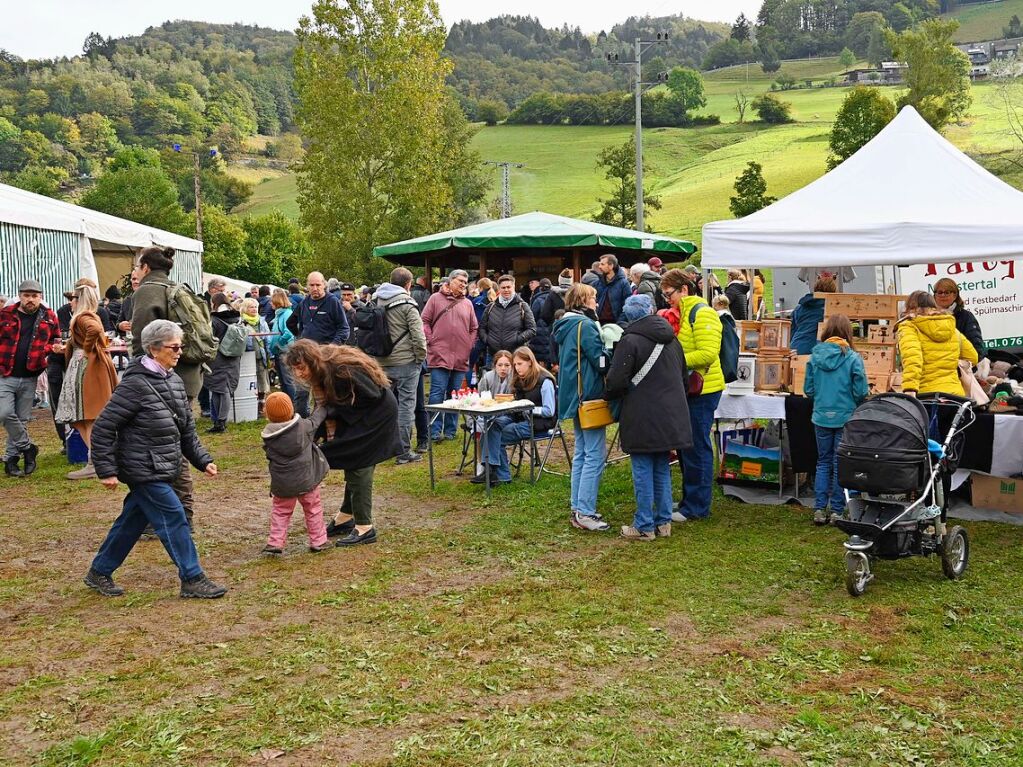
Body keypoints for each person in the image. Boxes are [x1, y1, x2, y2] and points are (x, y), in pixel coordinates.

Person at [83, 319, 226, 599]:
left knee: (132, 521)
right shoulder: (134, 385)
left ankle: (99, 571)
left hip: (165, 465)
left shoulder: (172, 379)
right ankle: (192, 577)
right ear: (153, 349)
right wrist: (106, 470)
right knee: (174, 515)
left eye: (180, 346)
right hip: (142, 468)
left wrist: (202, 460)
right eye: (174, 347)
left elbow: (186, 428)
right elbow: (103, 427)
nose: (180, 352)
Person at [284, 340, 401, 547]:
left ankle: (365, 527)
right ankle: (346, 517)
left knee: (360, 464)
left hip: (377, 415)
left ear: (312, 360)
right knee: (352, 460)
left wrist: (334, 411)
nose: (299, 373)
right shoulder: (323, 372)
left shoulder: (341, 369)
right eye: (295, 369)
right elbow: (326, 406)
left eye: (301, 367)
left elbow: (371, 395)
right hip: (359, 416)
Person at [605, 294, 692, 541]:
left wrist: (610, 395)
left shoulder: (630, 341)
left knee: (642, 468)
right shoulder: (673, 340)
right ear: (652, 310)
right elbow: (684, 379)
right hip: (671, 414)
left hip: (642, 413)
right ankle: (663, 522)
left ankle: (644, 525)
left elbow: (615, 381)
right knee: (661, 467)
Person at [660, 268, 724, 523]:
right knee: (687, 445)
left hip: (704, 389)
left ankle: (697, 506)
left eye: (669, 294)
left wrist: (674, 360)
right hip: (690, 389)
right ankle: (689, 500)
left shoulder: (702, 313)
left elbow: (709, 353)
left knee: (697, 446)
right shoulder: (684, 314)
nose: (667, 299)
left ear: (684, 289)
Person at [551, 284, 609, 532]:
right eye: (593, 297)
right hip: (589, 395)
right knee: (594, 454)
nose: (596, 301)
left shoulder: (565, 324)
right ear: (583, 300)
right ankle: (585, 511)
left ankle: (578, 506)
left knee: (583, 452)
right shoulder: (584, 325)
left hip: (573, 395)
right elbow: (600, 360)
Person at [804, 314, 869, 526]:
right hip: (845, 417)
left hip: (821, 416)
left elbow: (808, 389)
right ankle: (838, 510)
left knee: (823, 462)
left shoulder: (815, 356)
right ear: (847, 333)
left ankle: (820, 509)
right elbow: (861, 391)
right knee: (840, 462)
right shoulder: (852, 358)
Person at [53, 282, 118, 480]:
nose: (70, 303)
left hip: (88, 369)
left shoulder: (84, 316)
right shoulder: (86, 316)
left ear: (78, 300)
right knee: (82, 418)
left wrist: (86, 350)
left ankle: (96, 462)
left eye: (72, 299)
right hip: (89, 366)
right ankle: (97, 459)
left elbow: (95, 329)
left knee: (87, 416)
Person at [0, 279, 60, 477]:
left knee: (21, 419)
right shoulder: (5, 314)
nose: (31, 299)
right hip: (5, 373)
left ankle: (11, 461)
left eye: (35, 296)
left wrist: (47, 349)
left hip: (30, 374)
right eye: (27, 295)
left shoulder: (50, 317)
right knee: (5, 413)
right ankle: (28, 448)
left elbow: (56, 340)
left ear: (41, 297)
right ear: (19, 296)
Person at [473, 347, 556, 486]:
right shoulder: (519, 379)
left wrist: (528, 408)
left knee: (497, 435)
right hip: (518, 416)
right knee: (490, 427)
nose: (517, 368)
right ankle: (491, 470)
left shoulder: (544, 380)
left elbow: (549, 411)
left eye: (519, 364)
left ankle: (498, 474)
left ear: (530, 362)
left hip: (538, 422)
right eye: (515, 365)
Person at [260, 391, 330, 555]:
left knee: (280, 512)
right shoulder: (304, 427)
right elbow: (317, 419)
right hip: (307, 481)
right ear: (291, 409)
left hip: (282, 485)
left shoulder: (269, 437)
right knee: (313, 509)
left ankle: (275, 543)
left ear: (268, 415)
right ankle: (318, 541)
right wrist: (323, 405)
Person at [130, 247, 204, 400]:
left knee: (161, 423)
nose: (135, 271)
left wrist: (138, 372)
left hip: (162, 380)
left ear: (145, 267)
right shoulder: (178, 288)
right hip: (188, 373)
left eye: (137, 267)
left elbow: (141, 338)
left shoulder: (146, 291)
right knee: (182, 422)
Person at [372, 267, 428, 465]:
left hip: (379, 361)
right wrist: (420, 359)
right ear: (408, 284)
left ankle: (381, 447)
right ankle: (403, 451)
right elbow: (418, 336)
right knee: (406, 406)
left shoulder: (375, 299)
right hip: (405, 362)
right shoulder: (407, 303)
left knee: (383, 405)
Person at [422, 269, 478, 442]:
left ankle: (450, 431)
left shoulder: (467, 303)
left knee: (454, 395)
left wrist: (469, 344)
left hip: (461, 357)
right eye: (460, 280)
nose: (463, 284)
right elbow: (424, 320)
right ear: (450, 281)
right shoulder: (435, 299)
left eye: (465, 281)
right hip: (440, 355)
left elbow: (474, 327)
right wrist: (432, 341)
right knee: (437, 393)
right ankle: (434, 430)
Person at [286, 271, 349, 416]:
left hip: (325, 357)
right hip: (305, 356)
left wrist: (333, 345)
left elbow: (344, 328)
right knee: (301, 394)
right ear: (306, 286)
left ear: (324, 285)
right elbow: (291, 322)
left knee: (323, 396)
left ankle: (322, 427)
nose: (315, 288)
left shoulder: (332, 302)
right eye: (311, 285)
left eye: (318, 285)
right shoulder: (304, 302)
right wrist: (300, 337)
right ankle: (303, 426)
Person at [898, 291, 978, 398]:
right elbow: (973, 357)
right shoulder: (950, 326)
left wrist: (910, 389)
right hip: (955, 396)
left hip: (926, 396)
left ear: (909, 306)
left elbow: (912, 359)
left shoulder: (909, 326)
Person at [479, 275, 537, 365]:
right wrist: (488, 340)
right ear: (499, 289)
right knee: (491, 379)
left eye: (508, 287)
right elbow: (482, 328)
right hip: (493, 354)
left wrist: (517, 340)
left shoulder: (523, 306)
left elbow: (532, 329)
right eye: (503, 287)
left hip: (515, 354)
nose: (506, 290)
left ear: (513, 287)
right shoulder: (490, 307)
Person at [206, 294, 242, 434]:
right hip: (233, 355)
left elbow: (210, 338)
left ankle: (220, 422)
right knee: (224, 388)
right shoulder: (237, 317)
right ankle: (219, 421)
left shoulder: (215, 319)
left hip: (218, 356)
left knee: (219, 389)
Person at [933, 277, 985, 360]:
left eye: (947, 292)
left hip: (959, 366)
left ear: (955, 295)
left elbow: (977, 349)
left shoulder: (966, 317)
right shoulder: (927, 317)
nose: (943, 295)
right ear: (934, 295)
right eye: (939, 292)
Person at [239, 297, 271, 416]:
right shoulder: (240, 322)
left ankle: (261, 405)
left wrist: (269, 355)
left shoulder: (262, 321)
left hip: (260, 356)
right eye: (251, 307)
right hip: (246, 356)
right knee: (249, 382)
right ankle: (250, 405)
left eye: (255, 307)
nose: (254, 309)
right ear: (245, 309)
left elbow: (268, 339)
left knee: (262, 381)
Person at [790, 275, 836, 355]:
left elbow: (792, 330)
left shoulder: (800, 308)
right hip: (820, 351)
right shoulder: (831, 309)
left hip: (798, 348)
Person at [267, 288, 296, 405]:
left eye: (272, 301)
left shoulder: (286, 314)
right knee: (283, 381)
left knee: (288, 380)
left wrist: (279, 343)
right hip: (279, 352)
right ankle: (286, 404)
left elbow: (288, 332)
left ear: (277, 302)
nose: (270, 304)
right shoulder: (279, 315)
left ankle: (293, 404)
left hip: (285, 351)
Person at [469, 277, 495, 379]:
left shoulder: (476, 301)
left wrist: (470, 296)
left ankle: (470, 388)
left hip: (478, 336)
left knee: (469, 364)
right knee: (489, 365)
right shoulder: (495, 301)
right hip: (491, 336)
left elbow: (469, 313)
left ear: (479, 287)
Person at [595, 254, 631, 325]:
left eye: (602, 264)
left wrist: (620, 322)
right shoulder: (598, 283)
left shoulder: (623, 283)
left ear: (611, 266)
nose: (599, 267)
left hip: (616, 323)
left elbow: (627, 304)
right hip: (599, 322)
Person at [528, 278, 554, 367]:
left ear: (540, 288)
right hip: (552, 332)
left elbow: (532, 319)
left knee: (541, 363)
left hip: (539, 335)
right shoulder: (555, 299)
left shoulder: (537, 300)